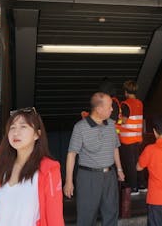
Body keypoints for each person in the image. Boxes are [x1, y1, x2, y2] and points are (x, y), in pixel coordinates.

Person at [0, 107, 63, 226]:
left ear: (37, 134)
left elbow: (55, 217)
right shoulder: (3, 166)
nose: (16, 132)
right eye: (12, 127)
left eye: (23, 127)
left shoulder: (48, 169)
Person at [64, 92, 125, 226]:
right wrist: (69, 181)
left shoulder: (111, 125)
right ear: (99, 109)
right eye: (109, 106)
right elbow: (71, 154)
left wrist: (119, 169)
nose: (112, 109)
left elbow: (115, 147)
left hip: (109, 176)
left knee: (111, 213)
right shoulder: (80, 127)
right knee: (87, 216)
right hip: (88, 177)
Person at [118, 80, 146, 195]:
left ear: (125, 92)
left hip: (127, 139)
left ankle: (134, 187)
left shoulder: (125, 104)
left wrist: (117, 121)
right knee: (138, 162)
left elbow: (124, 121)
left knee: (130, 164)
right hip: (137, 138)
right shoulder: (140, 103)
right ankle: (142, 184)